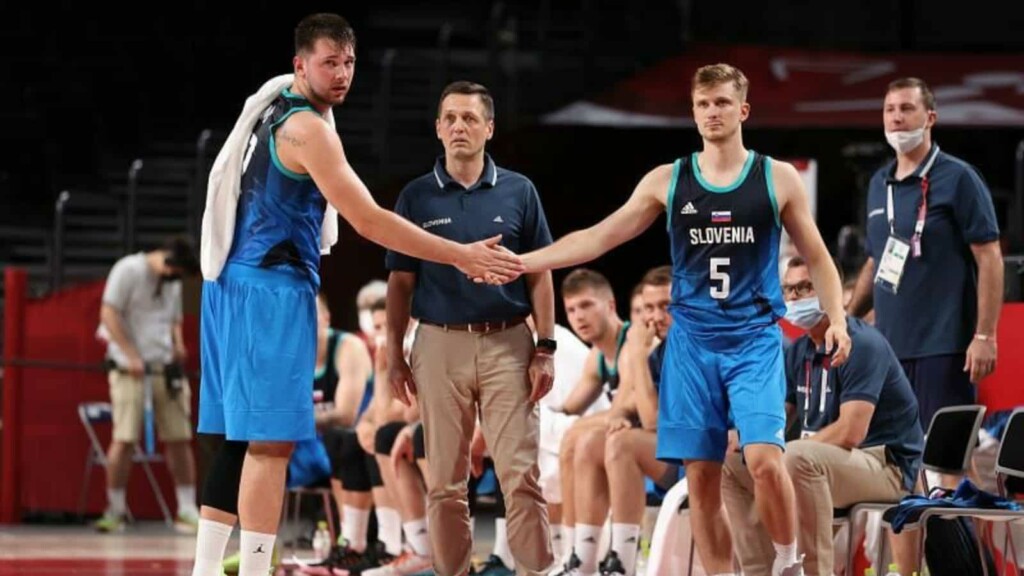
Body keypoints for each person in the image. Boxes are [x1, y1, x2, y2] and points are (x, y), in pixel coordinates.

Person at [192, 14, 523, 576]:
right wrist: (460, 253)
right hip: (268, 290)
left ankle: (204, 570)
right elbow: (368, 219)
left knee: (236, 440)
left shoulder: (273, 104)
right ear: (301, 65)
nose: (343, 74)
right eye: (329, 63)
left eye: (349, 62)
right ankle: (251, 571)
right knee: (270, 445)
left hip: (229, 283)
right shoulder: (307, 129)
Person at [520, 63, 851, 576]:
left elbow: (821, 257)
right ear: (693, 113)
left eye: (721, 102)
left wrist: (839, 320)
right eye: (702, 104)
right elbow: (600, 236)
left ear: (742, 110)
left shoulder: (775, 176)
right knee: (702, 476)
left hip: (753, 339)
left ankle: (789, 562)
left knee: (764, 460)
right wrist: (525, 261)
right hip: (692, 344)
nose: (712, 112)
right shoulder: (668, 179)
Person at [385, 80, 555, 576]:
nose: (460, 126)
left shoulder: (519, 190)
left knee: (521, 475)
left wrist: (545, 346)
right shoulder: (415, 196)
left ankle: (536, 571)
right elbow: (399, 282)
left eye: (470, 118)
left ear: (490, 128)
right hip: (438, 343)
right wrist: (394, 354)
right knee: (444, 480)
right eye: (451, 118)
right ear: (438, 129)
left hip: (509, 341)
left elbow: (541, 272)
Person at [722, 256, 924, 576]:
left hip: (885, 466)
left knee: (796, 458)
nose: (794, 298)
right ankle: (759, 571)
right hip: (821, 463)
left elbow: (850, 432)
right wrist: (747, 434)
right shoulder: (797, 351)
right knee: (732, 462)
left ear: (835, 292)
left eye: (805, 288)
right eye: (788, 290)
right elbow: (777, 414)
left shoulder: (863, 343)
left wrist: (782, 453)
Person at [847, 77, 1003, 432]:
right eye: (889, 110)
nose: (896, 117)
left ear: (930, 117)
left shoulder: (958, 177)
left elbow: (989, 256)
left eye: (906, 108)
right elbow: (876, 258)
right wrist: (847, 321)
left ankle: (965, 492)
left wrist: (984, 337)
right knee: (895, 459)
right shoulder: (878, 183)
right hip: (887, 348)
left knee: (942, 460)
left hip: (943, 346)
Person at [95, 235, 202, 534]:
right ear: (167, 259)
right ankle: (115, 509)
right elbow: (108, 313)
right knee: (125, 437)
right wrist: (130, 355)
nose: (175, 278)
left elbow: (174, 319)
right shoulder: (128, 270)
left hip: (164, 367)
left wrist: (178, 345)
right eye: (176, 271)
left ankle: (187, 508)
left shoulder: (173, 281)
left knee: (179, 437)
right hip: (129, 367)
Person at [601, 266, 681, 576]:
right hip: (676, 455)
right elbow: (623, 406)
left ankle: (622, 561)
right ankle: (581, 553)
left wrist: (635, 354)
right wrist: (620, 416)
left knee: (623, 445)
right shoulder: (661, 353)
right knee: (586, 440)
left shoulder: (687, 348)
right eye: (649, 308)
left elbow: (651, 422)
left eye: (665, 306)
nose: (656, 317)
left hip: (702, 459)